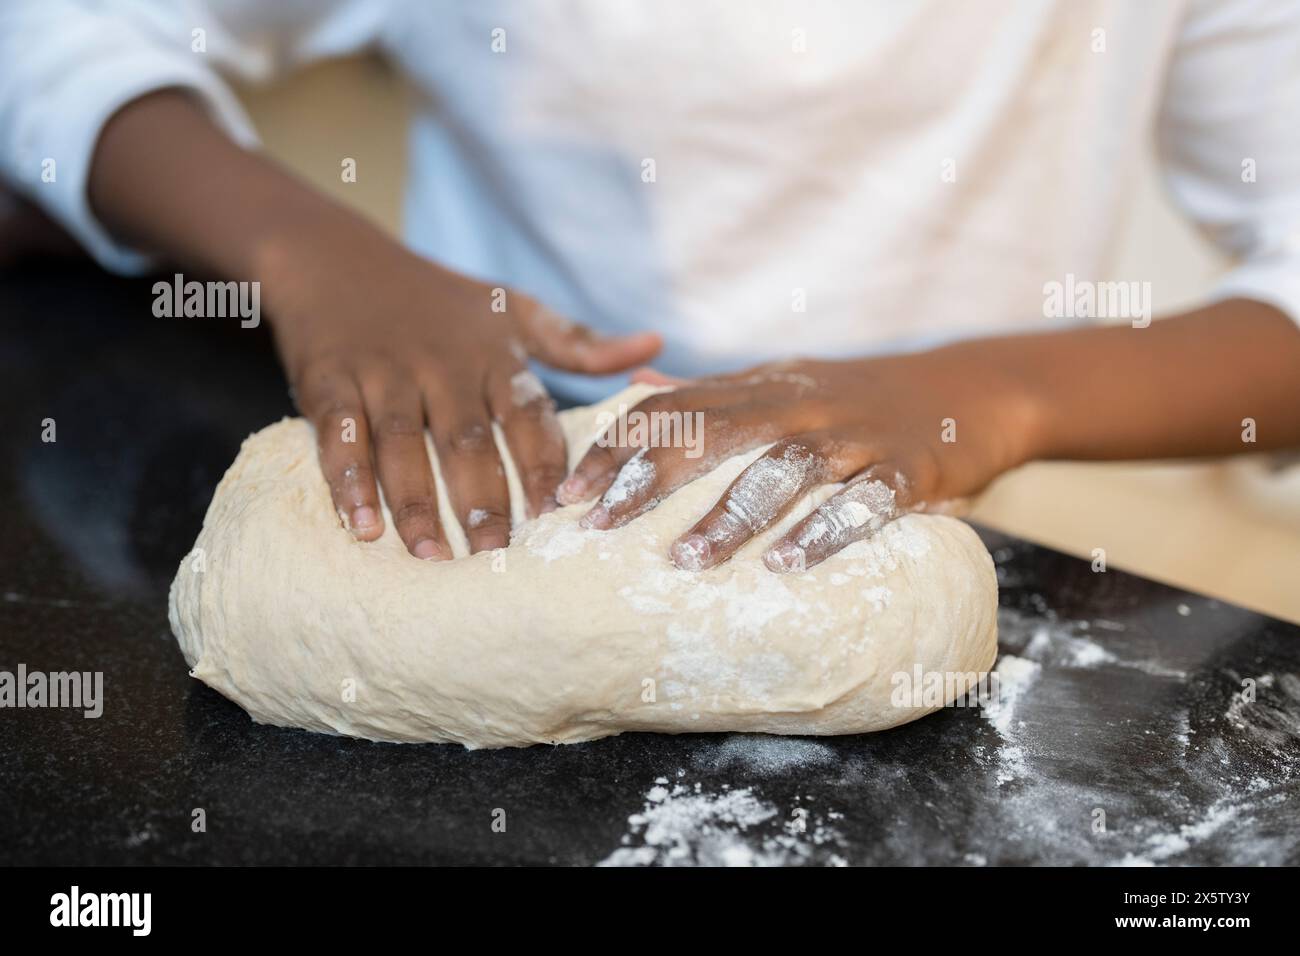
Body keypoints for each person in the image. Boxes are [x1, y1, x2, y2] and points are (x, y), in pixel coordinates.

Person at [2, 0, 1297, 573]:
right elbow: (51, 34)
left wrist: (985, 394)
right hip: (500, 468)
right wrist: (306, 252)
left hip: (1004, 510)